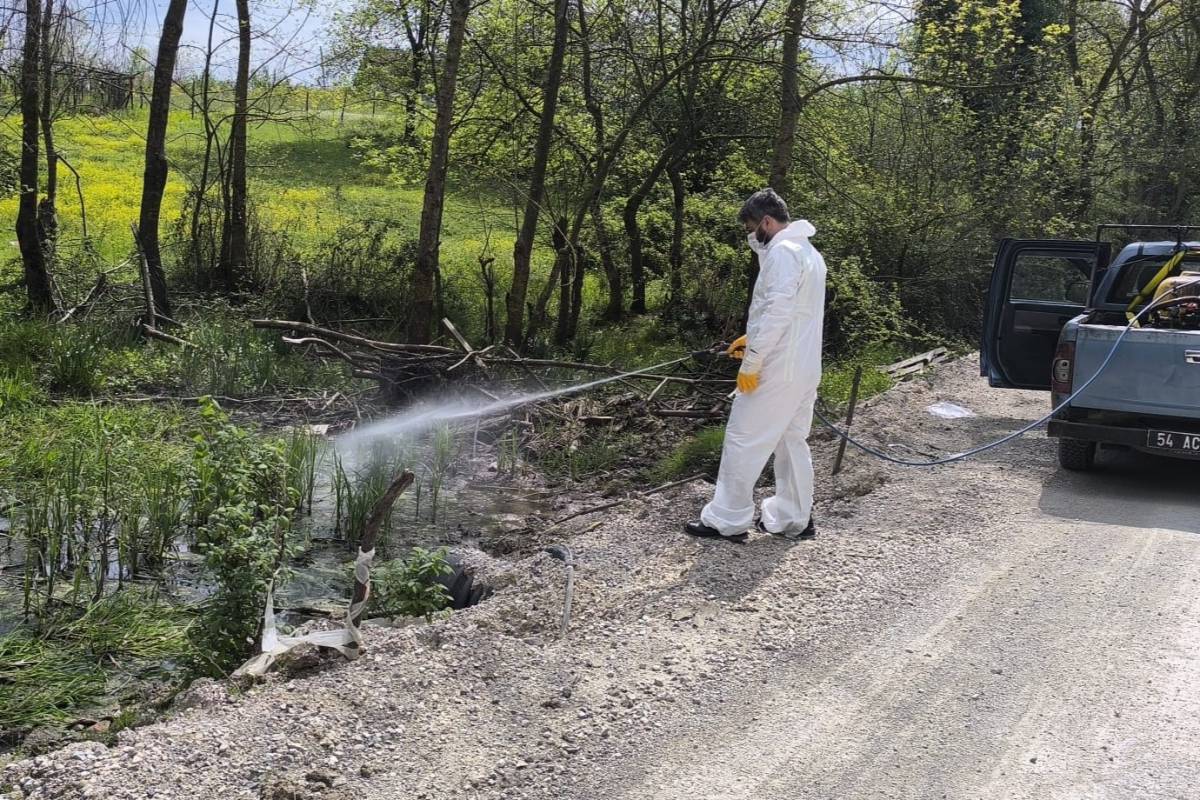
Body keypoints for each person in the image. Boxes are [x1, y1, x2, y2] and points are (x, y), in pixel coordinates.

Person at [686, 189, 827, 543]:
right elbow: (794, 314)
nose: (752, 236)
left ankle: (726, 520)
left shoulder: (782, 251)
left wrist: (752, 360)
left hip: (777, 369)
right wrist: (752, 338)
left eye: (752, 227)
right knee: (791, 441)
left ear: (766, 221)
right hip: (804, 368)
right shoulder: (809, 253)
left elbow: (777, 310)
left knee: (742, 439)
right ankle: (795, 519)